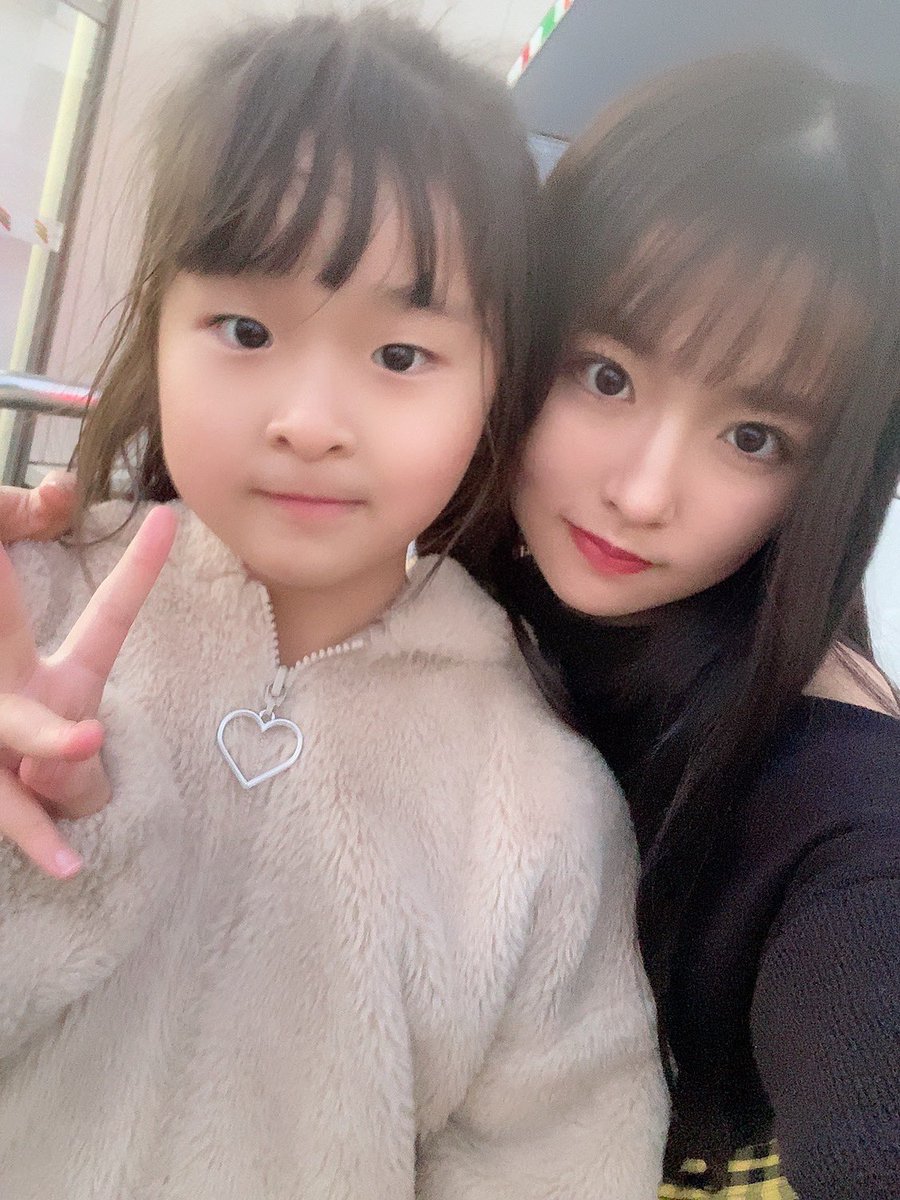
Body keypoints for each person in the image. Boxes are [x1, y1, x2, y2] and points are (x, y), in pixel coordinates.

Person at [0, 12, 667, 1200]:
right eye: (246, 329)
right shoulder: (25, 613)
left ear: (496, 381)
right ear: (158, 327)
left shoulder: (540, 809)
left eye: (400, 356)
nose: (308, 421)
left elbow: (561, 1164)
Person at [489, 51, 900, 1199]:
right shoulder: (453, 585)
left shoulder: (836, 805)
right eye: (605, 374)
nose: (642, 492)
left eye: (754, 437)